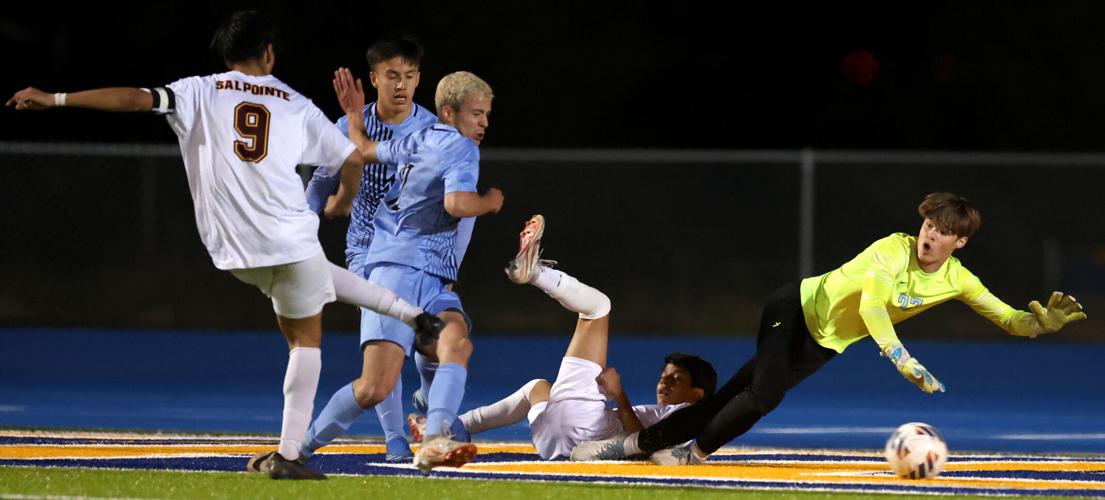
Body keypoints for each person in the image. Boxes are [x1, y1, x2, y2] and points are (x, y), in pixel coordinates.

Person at [5, 10, 444, 480]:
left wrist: (55, 98)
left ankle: (413, 316)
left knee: (310, 276)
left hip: (233, 249)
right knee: (305, 337)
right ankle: (291, 453)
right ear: (269, 52)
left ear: (227, 53)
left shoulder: (198, 89)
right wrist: (341, 200)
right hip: (288, 239)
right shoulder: (295, 103)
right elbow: (353, 157)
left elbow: (134, 99)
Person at [571, 192, 1087, 465]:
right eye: (929, 225)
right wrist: (901, 358)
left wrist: (1036, 324)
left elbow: (1007, 317)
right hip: (793, 309)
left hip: (826, 343)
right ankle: (692, 455)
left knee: (735, 394)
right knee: (765, 393)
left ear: (959, 243)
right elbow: (872, 307)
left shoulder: (958, 280)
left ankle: (635, 447)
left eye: (942, 232)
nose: (929, 236)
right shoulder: (892, 247)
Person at [276, 66, 503, 475]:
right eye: (477, 113)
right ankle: (296, 452)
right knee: (374, 387)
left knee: (457, 345)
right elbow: (456, 205)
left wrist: (355, 117)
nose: (484, 123)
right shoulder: (463, 149)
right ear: (449, 114)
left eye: (487, 114)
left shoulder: (416, 139)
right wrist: (489, 201)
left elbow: (362, 149)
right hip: (396, 273)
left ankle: (434, 440)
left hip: (430, 277)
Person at [409, 215, 718, 460]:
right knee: (538, 388)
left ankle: (536, 273)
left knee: (598, 308)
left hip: (583, 431)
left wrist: (619, 394)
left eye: (676, 378)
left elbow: (644, 443)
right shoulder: (669, 414)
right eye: (665, 376)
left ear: (698, 394)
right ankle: (455, 427)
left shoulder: (689, 416)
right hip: (554, 443)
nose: (664, 383)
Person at [301, 36, 450, 464]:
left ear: (419, 79)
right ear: (373, 78)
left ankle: (417, 414)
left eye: (409, 76)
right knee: (386, 353)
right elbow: (321, 185)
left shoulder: (432, 131)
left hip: (420, 255)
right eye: (391, 76)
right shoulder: (349, 125)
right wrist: (304, 232)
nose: (401, 85)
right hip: (369, 253)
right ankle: (395, 440)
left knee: (425, 343)